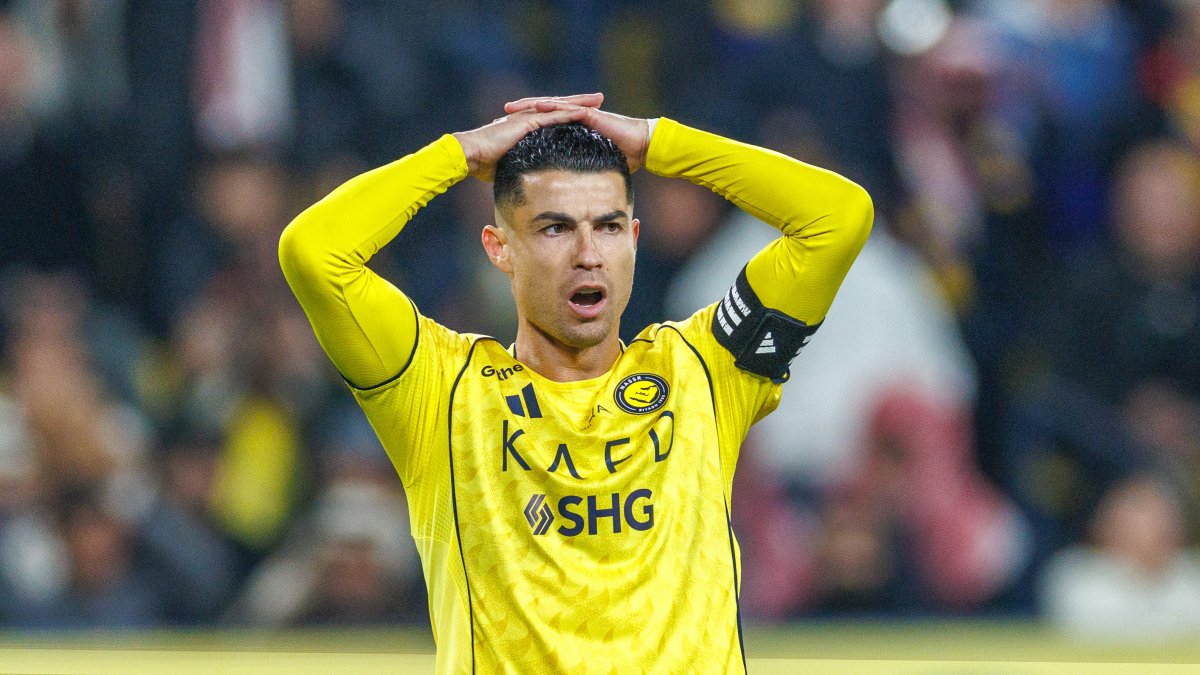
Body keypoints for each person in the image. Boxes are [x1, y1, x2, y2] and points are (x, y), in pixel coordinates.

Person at [279, 93, 872, 672]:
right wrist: (460, 154)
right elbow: (316, 251)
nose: (589, 254)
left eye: (609, 227)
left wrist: (659, 142)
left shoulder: (704, 370)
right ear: (499, 248)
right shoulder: (441, 389)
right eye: (555, 229)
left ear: (634, 241)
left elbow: (837, 219)